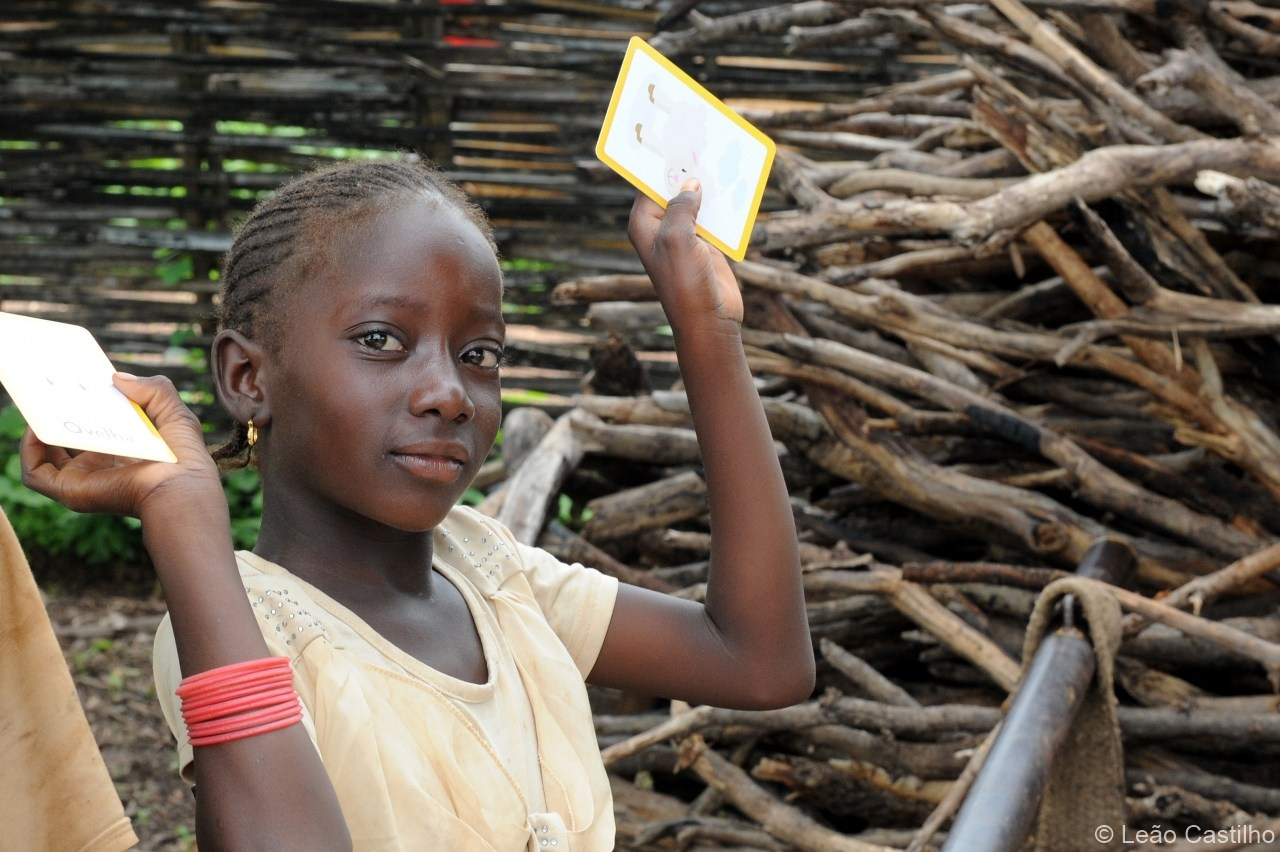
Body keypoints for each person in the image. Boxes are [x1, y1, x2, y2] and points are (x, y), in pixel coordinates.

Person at [20, 157, 814, 851]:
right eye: (380, 340)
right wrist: (183, 517)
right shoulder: (243, 622)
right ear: (247, 378)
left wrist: (707, 332)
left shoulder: (494, 578)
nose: (448, 393)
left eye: (480, 356)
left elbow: (760, 660)